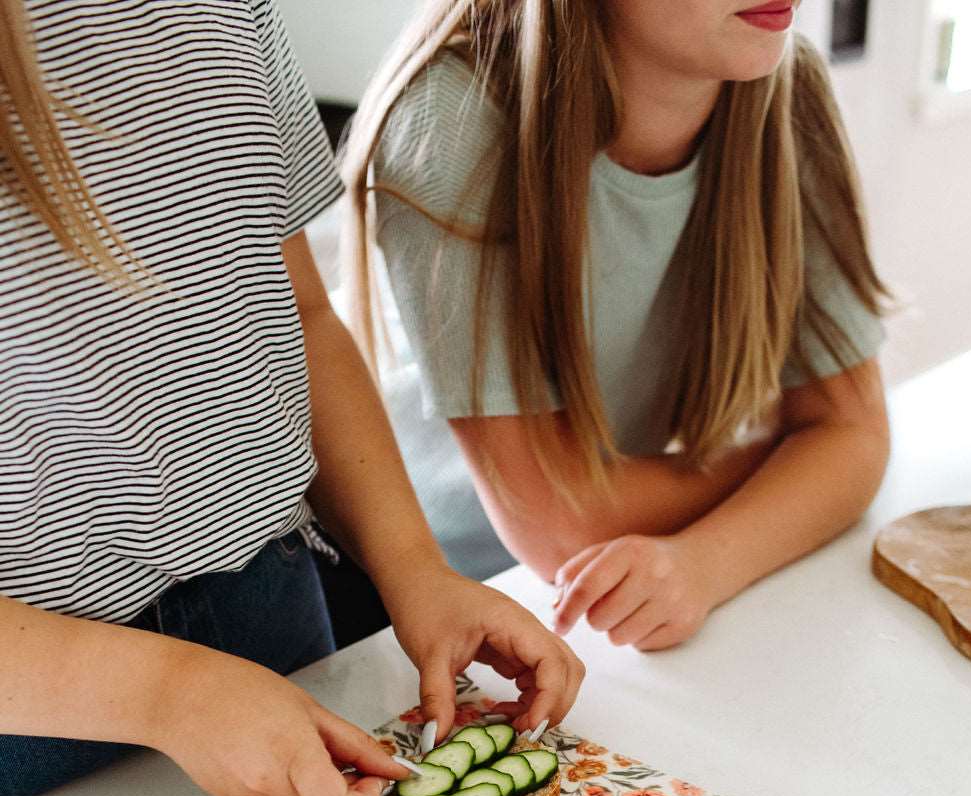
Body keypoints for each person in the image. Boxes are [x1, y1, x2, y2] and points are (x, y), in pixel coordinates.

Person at [0, 0, 583, 796]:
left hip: (271, 607)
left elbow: (299, 316)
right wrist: (170, 693)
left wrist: (414, 568)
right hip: (32, 711)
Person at [342, 0, 892, 652]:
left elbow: (854, 437)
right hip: (408, 612)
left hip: (613, 585)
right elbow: (560, 527)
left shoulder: (783, 87)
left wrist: (707, 562)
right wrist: (801, 459)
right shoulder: (451, 115)